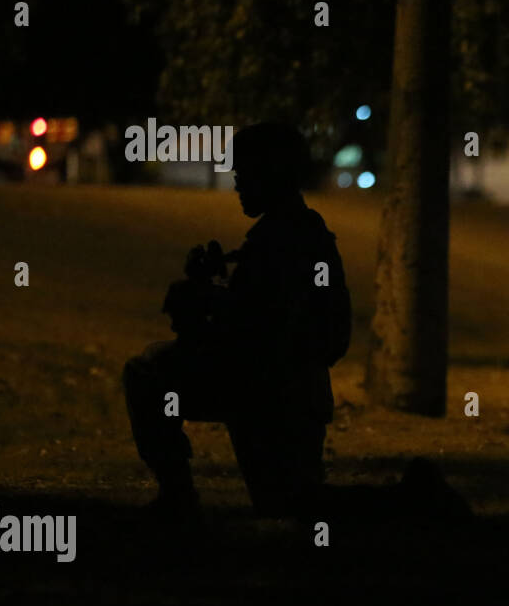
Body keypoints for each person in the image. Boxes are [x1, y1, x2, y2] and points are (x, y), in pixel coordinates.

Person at [123, 122, 468, 526]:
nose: (237, 183)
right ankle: (410, 499)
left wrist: (206, 302)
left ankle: (412, 500)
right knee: (292, 504)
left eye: (245, 173)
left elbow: (262, 326)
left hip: (273, 394)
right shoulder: (289, 233)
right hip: (278, 392)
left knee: (294, 505)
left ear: (272, 175)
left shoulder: (288, 239)